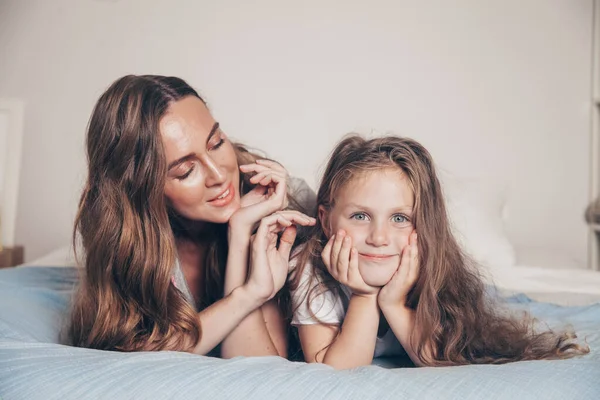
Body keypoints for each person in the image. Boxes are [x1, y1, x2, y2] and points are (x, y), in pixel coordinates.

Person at [289, 134, 589, 369]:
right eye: (360, 216)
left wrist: (394, 303)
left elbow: (437, 361)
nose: (379, 238)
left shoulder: (429, 268)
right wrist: (365, 297)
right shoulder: (312, 269)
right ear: (327, 220)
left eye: (399, 218)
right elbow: (335, 371)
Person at [67, 75, 315, 357]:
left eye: (217, 143)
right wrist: (246, 292)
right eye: (186, 171)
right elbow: (136, 355)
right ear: (142, 189)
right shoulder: (129, 243)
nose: (219, 175)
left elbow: (264, 368)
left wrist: (242, 234)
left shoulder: (286, 203)